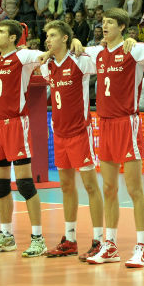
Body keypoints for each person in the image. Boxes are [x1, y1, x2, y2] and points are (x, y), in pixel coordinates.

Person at [82, 8, 144, 267]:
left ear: (122, 27)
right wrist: (75, 42)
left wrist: (137, 41)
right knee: (108, 188)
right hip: (104, 123)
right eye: (103, 22)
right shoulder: (98, 53)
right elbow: (76, 51)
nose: (104, 26)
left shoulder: (133, 50)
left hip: (127, 123)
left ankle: (142, 247)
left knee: (135, 189)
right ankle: (111, 244)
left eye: (110, 22)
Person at [0, 20, 51, 257]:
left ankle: (38, 239)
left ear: (14, 38)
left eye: (2, 32)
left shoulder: (23, 56)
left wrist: (70, 43)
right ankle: (6, 235)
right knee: (0, 184)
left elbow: (45, 55)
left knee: (25, 184)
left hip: (15, 124)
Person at [38, 20, 105, 260]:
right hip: (59, 133)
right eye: (47, 36)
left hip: (80, 132)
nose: (48, 40)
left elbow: (103, 54)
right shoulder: (47, 66)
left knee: (90, 186)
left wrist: (80, 44)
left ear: (65, 38)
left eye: (53, 35)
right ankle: (70, 239)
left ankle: (99, 240)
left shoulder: (80, 60)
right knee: (66, 186)